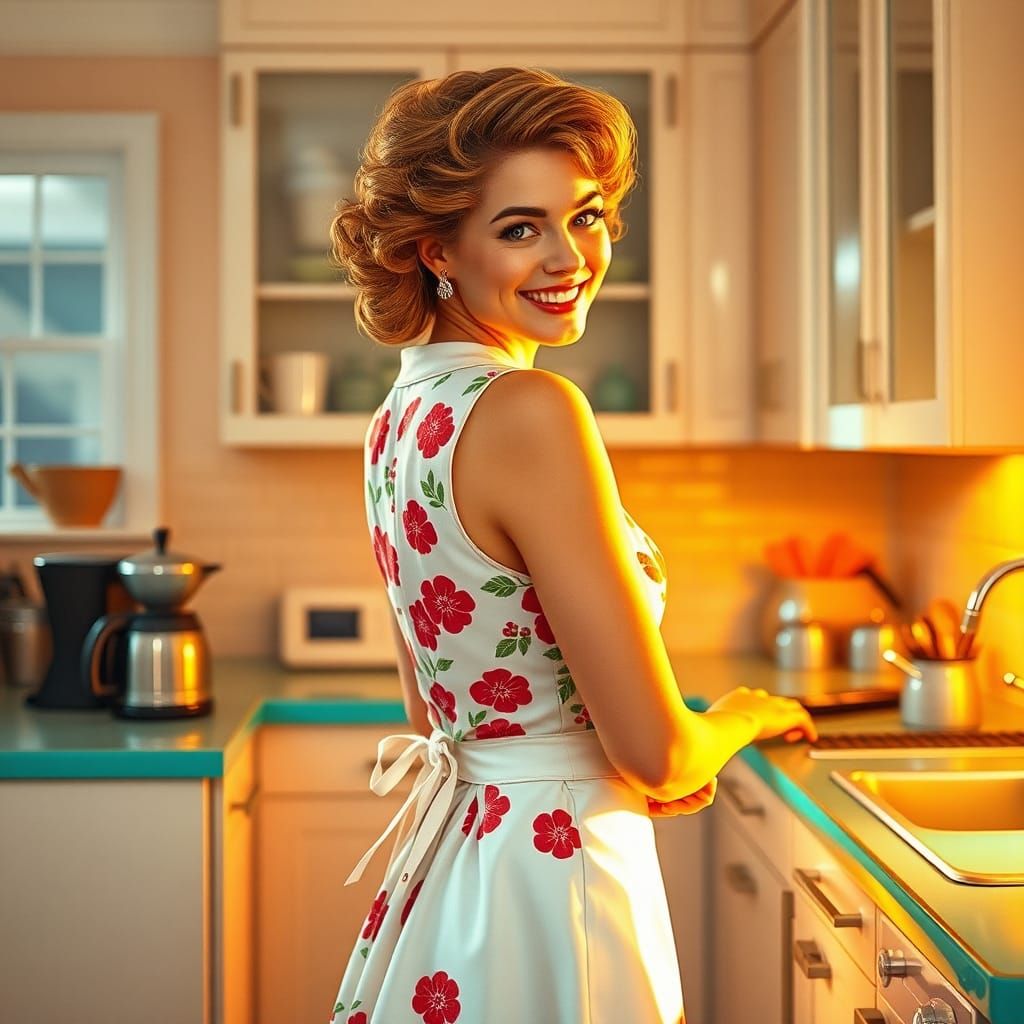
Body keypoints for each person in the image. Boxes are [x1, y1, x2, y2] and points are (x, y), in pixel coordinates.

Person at [327, 66, 816, 1024]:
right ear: (436, 250)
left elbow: (435, 707)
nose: (570, 257)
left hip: (464, 857)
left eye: (585, 216)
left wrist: (602, 754)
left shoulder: (399, 416)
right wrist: (744, 717)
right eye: (521, 228)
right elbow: (661, 755)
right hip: (558, 875)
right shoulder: (530, 408)